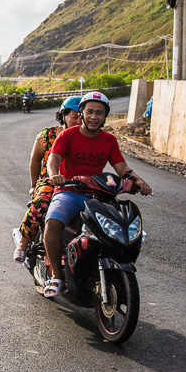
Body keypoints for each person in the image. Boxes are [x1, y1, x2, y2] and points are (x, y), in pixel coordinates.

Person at [42, 91, 152, 298]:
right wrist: (55, 175)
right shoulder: (68, 135)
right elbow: (53, 159)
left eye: (99, 113)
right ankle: (57, 275)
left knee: (116, 227)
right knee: (53, 223)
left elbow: (121, 168)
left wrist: (138, 180)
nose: (94, 117)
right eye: (89, 112)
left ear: (105, 116)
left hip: (100, 194)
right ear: (81, 113)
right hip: (70, 191)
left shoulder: (109, 140)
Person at [12, 96, 82, 262]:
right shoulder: (48, 135)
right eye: (74, 116)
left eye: (82, 116)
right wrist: (33, 185)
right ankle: (23, 242)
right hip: (50, 181)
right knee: (41, 202)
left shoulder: (87, 137)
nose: (79, 120)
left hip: (78, 183)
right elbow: (35, 161)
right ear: (63, 116)